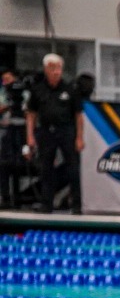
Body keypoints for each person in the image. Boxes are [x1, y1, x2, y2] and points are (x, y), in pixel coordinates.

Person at [25, 53, 83, 213]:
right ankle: (46, 204)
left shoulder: (70, 89)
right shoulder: (38, 90)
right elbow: (31, 115)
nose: (56, 71)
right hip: (46, 131)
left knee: (73, 168)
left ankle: (77, 205)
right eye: (52, 68)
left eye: (58, 68)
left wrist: (79, 137)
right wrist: (30, 136)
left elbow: (79, 116)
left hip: (67, 130)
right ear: (46, 69)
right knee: (46, 168)